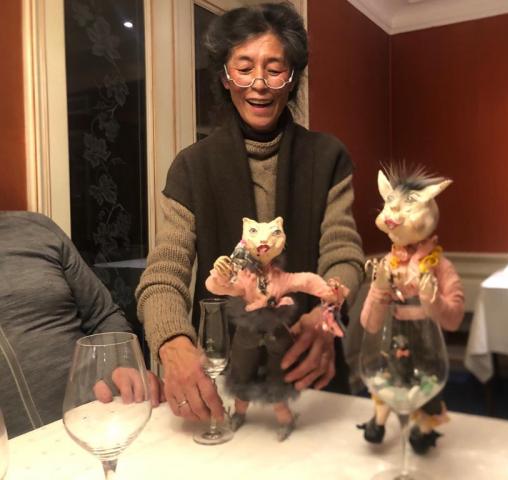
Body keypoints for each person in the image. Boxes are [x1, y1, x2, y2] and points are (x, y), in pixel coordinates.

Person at [135, 3, 365, 423]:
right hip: (223, 381)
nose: (259, 84)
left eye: (274, 69)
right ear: (225, 77)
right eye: (244, 68)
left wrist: (326, 314)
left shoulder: (328, 157)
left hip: (306, 373)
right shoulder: (192, 167)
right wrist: (172, 343)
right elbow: (163, 275)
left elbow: (343, 255)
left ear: (291, 79)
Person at [0, 211, 163, 438]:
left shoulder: (38, 228)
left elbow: (102, 314)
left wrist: (122, 363)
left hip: (102, 423)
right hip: (16, 452)